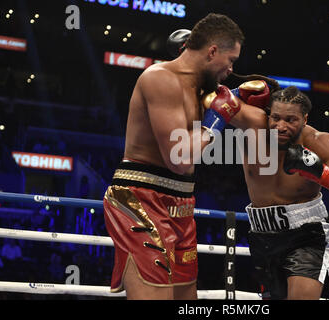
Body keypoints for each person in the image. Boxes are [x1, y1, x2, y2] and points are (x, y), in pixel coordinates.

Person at [102, 13, 244, 300]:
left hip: (183, 204)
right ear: (212, 51)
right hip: (141, 200)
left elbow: (242, 111)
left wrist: (255, 95)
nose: (231, 69)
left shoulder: (202, 89)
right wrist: (216, 120)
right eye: (230, 60)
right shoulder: (160, 78)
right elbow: (179, 159)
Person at [225, 82, 329, 299]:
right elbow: (211, 98)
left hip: (306, 234)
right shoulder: (253, 125)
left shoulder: (318, 142)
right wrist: (238, 92)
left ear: (304, 120)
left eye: (291, 120)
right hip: (261, 234)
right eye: (276, 118)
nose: (281, 126)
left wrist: (321, 173)